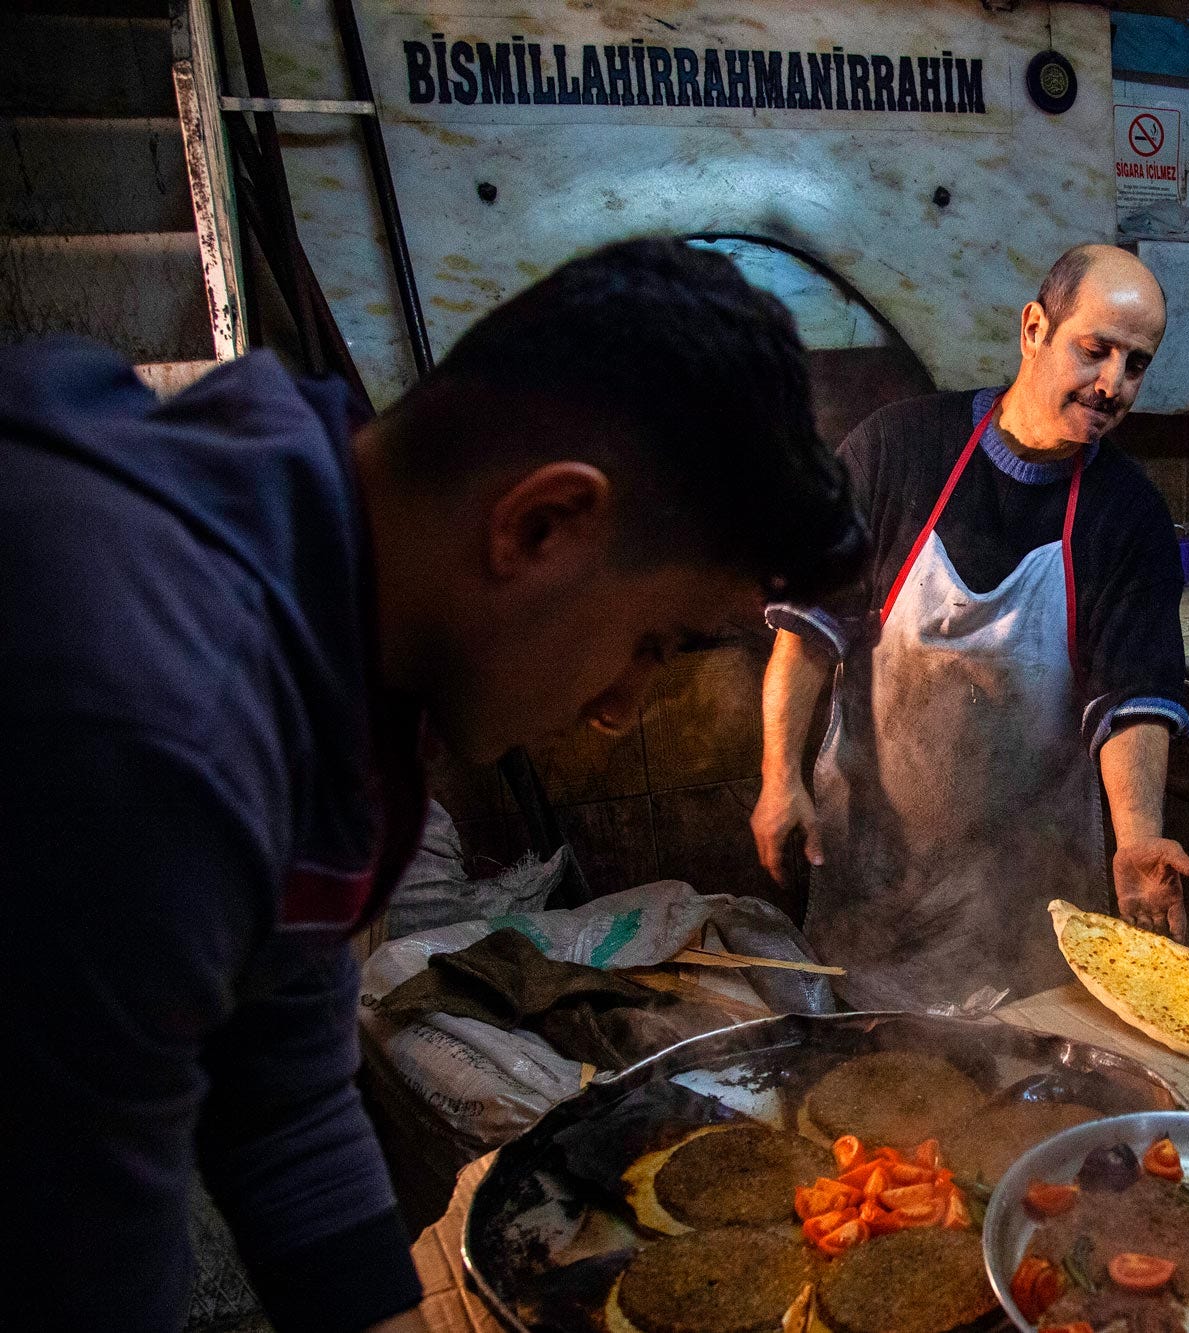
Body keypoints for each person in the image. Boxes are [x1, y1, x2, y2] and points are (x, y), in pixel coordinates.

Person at [0, 239, 864, 1332]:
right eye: (653, 642)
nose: (620, 708)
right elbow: (76, 1276)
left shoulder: (332, 622)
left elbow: (283, 1098)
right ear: (540, 525)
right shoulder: (147, 719)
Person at [751, 243, 1189, 1010]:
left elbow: (1133, 700)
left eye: (1136, 364)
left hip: (1032, 902)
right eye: (1095, 350)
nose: (1113, 384)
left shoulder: (1128, 514)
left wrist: (1136, 839)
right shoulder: (898, 449)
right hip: (875, 880)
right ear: (1034, 329)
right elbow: (807, 634)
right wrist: (778, 775)